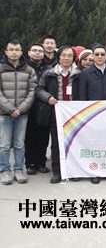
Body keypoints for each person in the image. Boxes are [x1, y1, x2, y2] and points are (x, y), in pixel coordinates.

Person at [79, 44, 106, 184]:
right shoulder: (85, 74)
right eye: (96, 54)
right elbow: (82, 96)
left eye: (102, 54)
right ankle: (95, 171)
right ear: (92, 56)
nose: (99, 57)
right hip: (92, 116)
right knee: (94, 144)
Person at [35, 46, 80, 183]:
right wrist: (48, 97)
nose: (66, 58)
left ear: (73, 58)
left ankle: (73, 171)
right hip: (56, 114)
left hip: (74, 116)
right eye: (64, 55)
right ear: (59, 57)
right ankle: (57, 171)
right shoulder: (49, 73)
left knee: (74, 144)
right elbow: (39, 89)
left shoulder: (78, 74)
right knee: (56, 144)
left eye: (69, 56)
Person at [0, 39, 37, 185]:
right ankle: (4, 171)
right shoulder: (1, 68)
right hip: (3, 113)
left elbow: (32, 91)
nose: (14, 52)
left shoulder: (28, 70)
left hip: (22, 113)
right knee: (3, 144)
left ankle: (18, 170)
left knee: (20, 144)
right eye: (11, 49)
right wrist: (10, 108)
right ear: (6, 51)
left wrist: (21, 109)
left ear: (21, 52)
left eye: (17, 49)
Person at [24, 43, 51, 176]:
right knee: (30, 137)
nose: (37, 53)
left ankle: (41, 162)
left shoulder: (49, 68)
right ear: (28, 52)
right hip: (28, 106)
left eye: (40, 51)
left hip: (45, 106)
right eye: (34, 50)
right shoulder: (24, 67)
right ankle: (30, 164)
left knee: (43, 137)